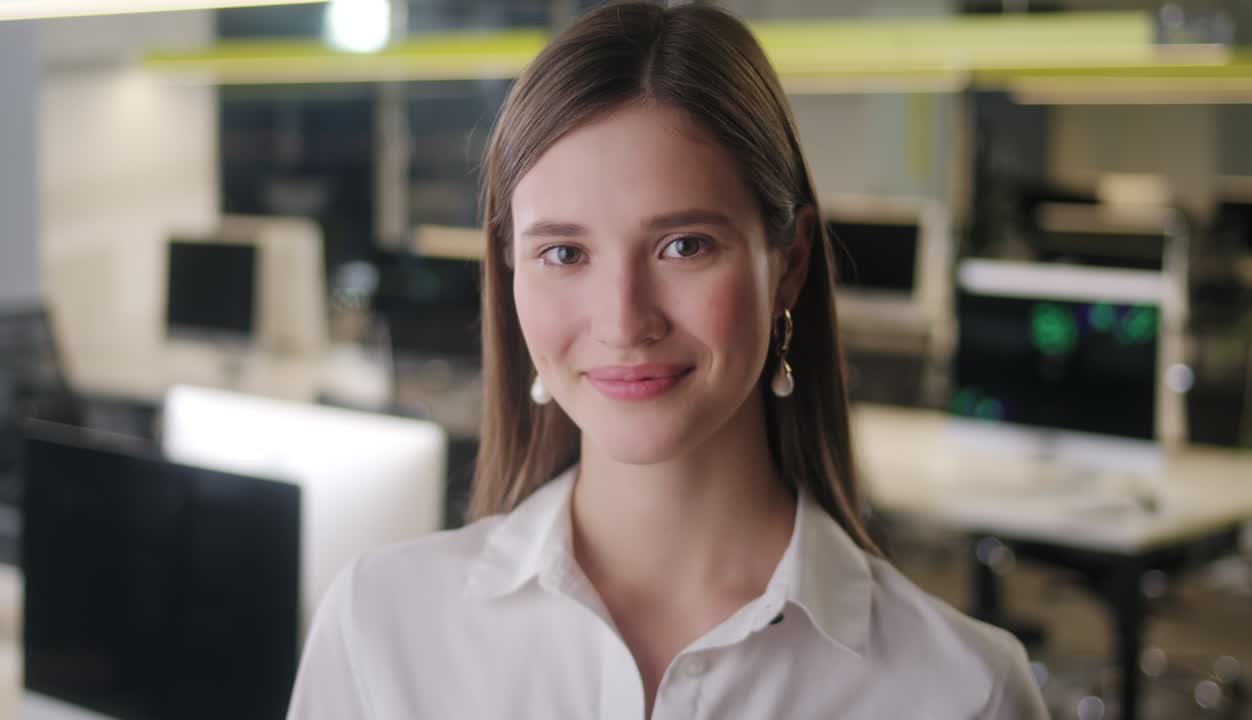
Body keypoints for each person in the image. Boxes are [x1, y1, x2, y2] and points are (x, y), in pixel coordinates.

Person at [287, 3, 1049, 718]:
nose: (623, 322)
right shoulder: (380, 629)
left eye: (684, 245)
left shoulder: (962, 690)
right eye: (563, 252)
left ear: (789, 261)